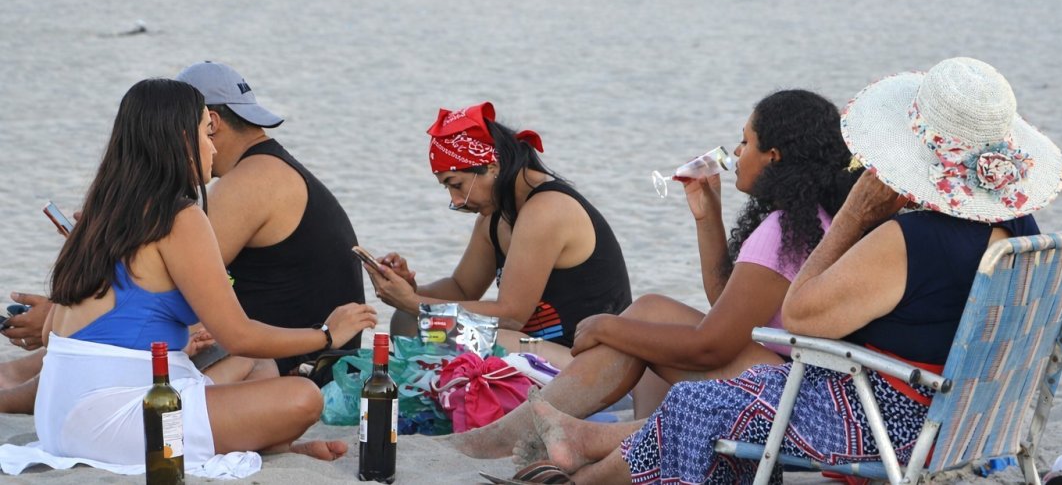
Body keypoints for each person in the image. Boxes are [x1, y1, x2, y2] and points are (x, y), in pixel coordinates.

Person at [502, 57, 1062, 484]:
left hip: (892, 418)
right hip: (975, 415)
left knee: (705, 401)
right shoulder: (1019, 230)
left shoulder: (912, 238)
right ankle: (583, 448)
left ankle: (585, 476)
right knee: (729, 392)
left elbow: (800, 315)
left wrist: (854, 216)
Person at [450, 89, 859, 459]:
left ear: (775, 157)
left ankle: (509, 438)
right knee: (651, 311)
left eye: (746, 141)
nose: (735, 152)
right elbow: (728, 304)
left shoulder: (782, 232)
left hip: (798, 394)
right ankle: (626, 438)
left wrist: (608, 327)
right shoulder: (809, 221)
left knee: (641, 324)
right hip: (807, 378)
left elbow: (709, 347)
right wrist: (707, 217)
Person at [0, 79, 376, 477]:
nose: (212, 147)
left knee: (260, 368)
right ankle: (271, 441)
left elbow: (56, 336)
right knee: (302, 397)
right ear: (181, 138)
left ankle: (279, 446)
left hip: (59, 413)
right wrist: (327, 335)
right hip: (112, 418)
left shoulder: (103, 211)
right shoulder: (178, 216)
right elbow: (238, 335)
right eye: (204, 132)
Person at [366, 102, 632, 369]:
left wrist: (416, 303)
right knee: (407, 320)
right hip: (533, 347)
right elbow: (462, 288)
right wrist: (408, 290)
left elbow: (512, 315)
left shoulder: (546, 209)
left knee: (489, 338)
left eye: (457, 185)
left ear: (492, 166)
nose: (456, 201)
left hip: (591, 360)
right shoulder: (494, 218)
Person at [176, 61, 368, 374]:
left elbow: (175, 282)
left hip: (294, 364)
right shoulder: (272, 166)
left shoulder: (250, 181)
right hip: (309, 354)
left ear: (211, 122)